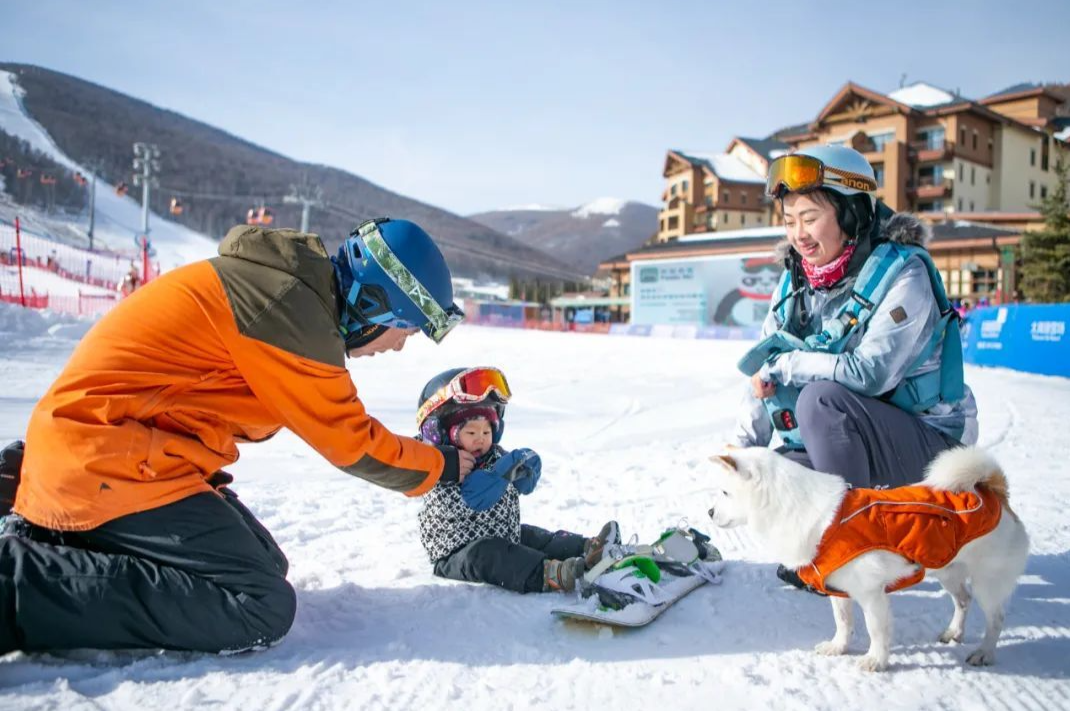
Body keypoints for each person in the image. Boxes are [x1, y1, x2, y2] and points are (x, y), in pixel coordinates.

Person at [0, 217, 469, 654]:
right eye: (404, 329)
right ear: (373, 303)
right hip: (99, 455)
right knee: (257, 603)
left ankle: (51, 520)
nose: (399, 345)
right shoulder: (289, 309)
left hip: (122, 453)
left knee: (265, 564)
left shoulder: (290, 295)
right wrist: (442, 465)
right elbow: (352, 442)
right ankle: (17, 585)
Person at [732, 145, 978, 490]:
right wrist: (739, 458)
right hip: (857, 440)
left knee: (820, 401)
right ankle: (842, 527)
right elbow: (765, 366)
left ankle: (855, 536)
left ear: (851, 215)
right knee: (774, 479)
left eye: (810, 218)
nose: (798, 235)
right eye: (790, 221)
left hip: (935, 447)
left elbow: (870, 374)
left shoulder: (904, 273)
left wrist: (787, 365)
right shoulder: (794, 282)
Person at [415, 366, 620, 594]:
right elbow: (473, 497)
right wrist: (501, 474)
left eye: (487, 432)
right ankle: (554, 574)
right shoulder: (439, 465)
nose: (481, 440)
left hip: (500, 530)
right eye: (471, 433)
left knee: (535, 537)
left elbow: (512, 480)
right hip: (458, 553)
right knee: (492, 555)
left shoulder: (491, 454)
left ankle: (590, 548)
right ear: (440, 433)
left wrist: (525, 472)